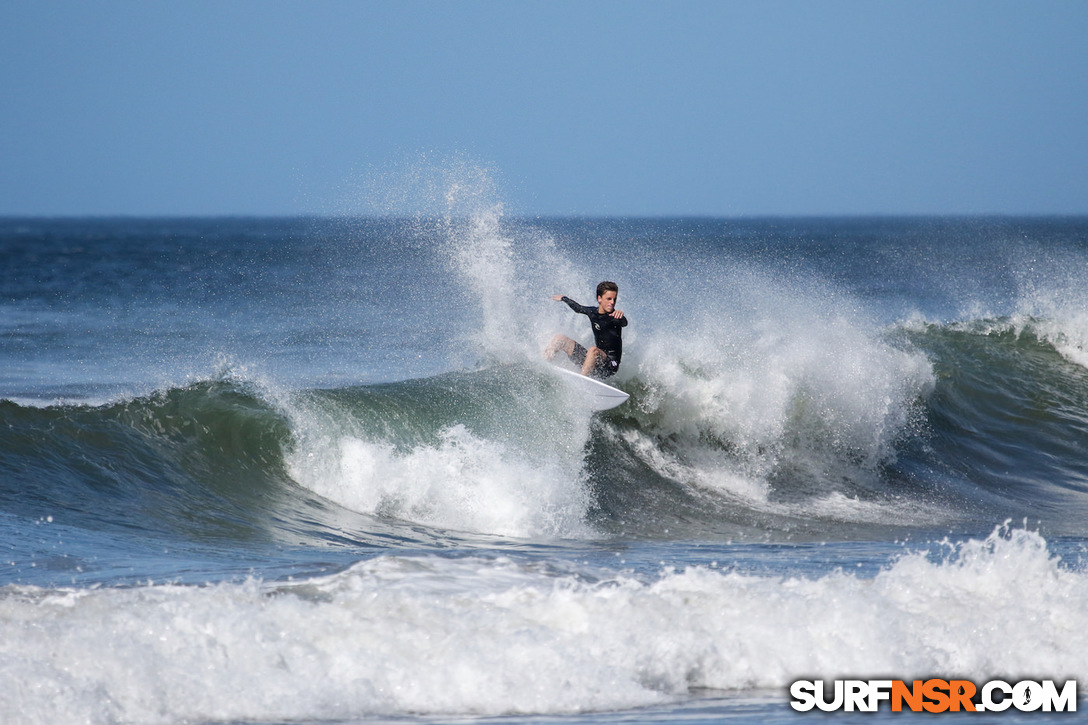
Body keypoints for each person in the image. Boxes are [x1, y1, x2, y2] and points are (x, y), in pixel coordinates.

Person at [545, 281, 628, 379]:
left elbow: (624, 323)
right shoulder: (592, 312)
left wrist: (621, 316)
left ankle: (581, 381)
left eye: (614, 299)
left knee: (593, 350)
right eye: (609, 299)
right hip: (592, 362)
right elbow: (578, 308)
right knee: (560, 339)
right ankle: (543, 364)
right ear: (599, 299)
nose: (612, 302)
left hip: (610, 365)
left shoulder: (615, 317)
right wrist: (564, 298)